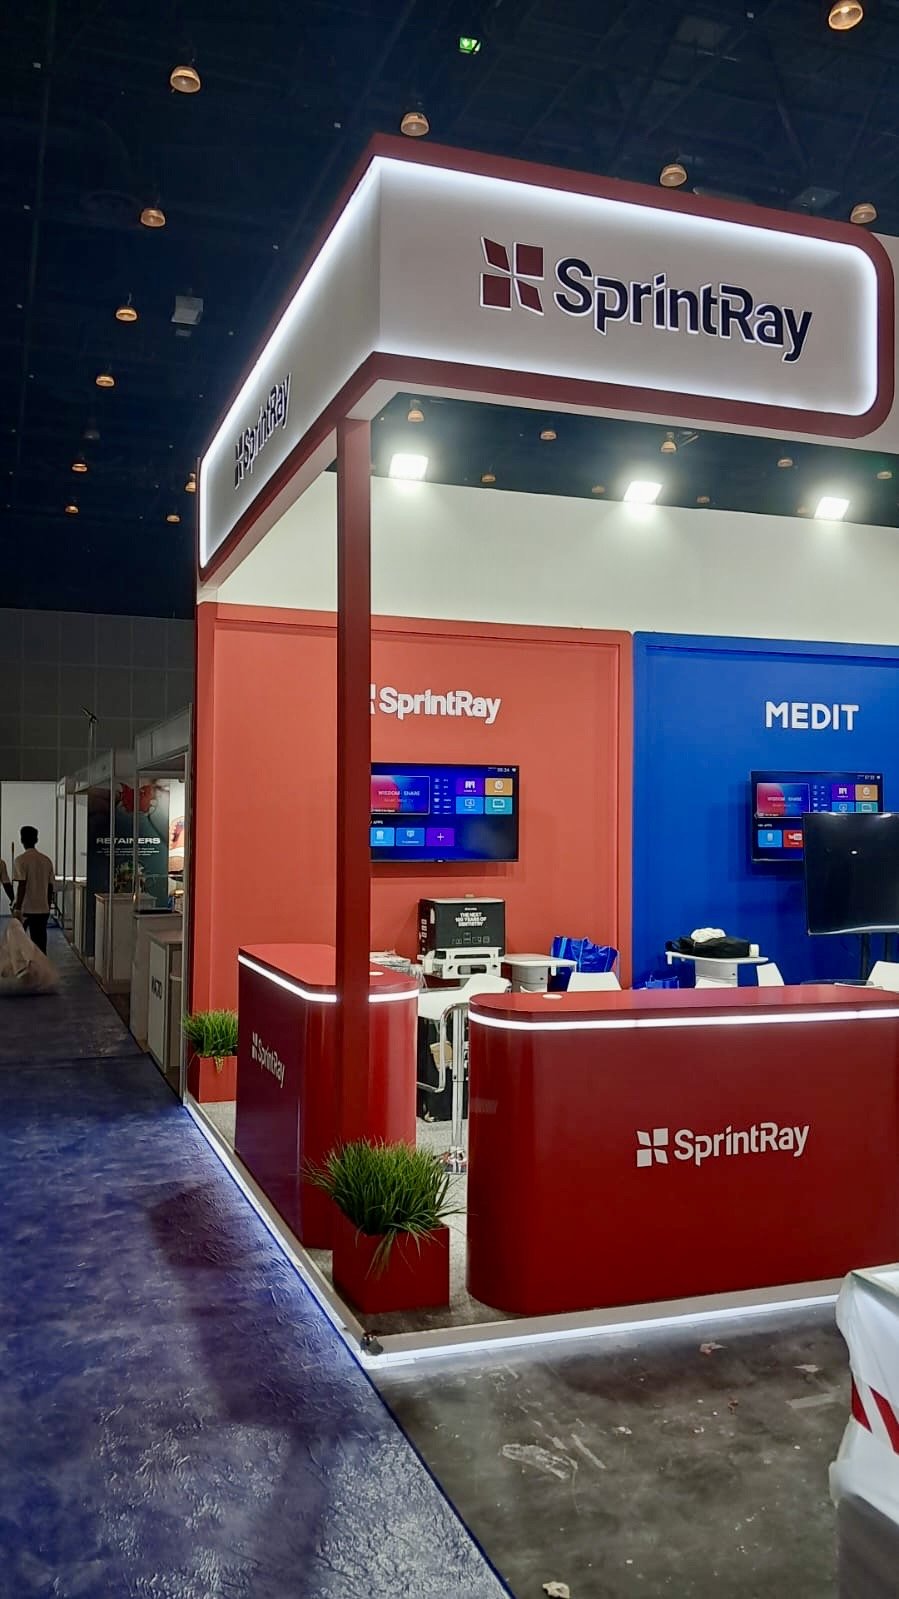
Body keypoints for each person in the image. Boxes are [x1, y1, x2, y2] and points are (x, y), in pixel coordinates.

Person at [14, 826, 55, 955]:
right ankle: (41, 966)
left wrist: (17, 908)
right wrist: (48, 905)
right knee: (40, 945)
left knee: (19, 943)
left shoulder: (20, 860)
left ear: (21, 840)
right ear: (36, 840)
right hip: (42, 909)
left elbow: (22, 885)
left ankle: (24, 965)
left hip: (26, 909)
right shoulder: (46, 860)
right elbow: (50, 886)